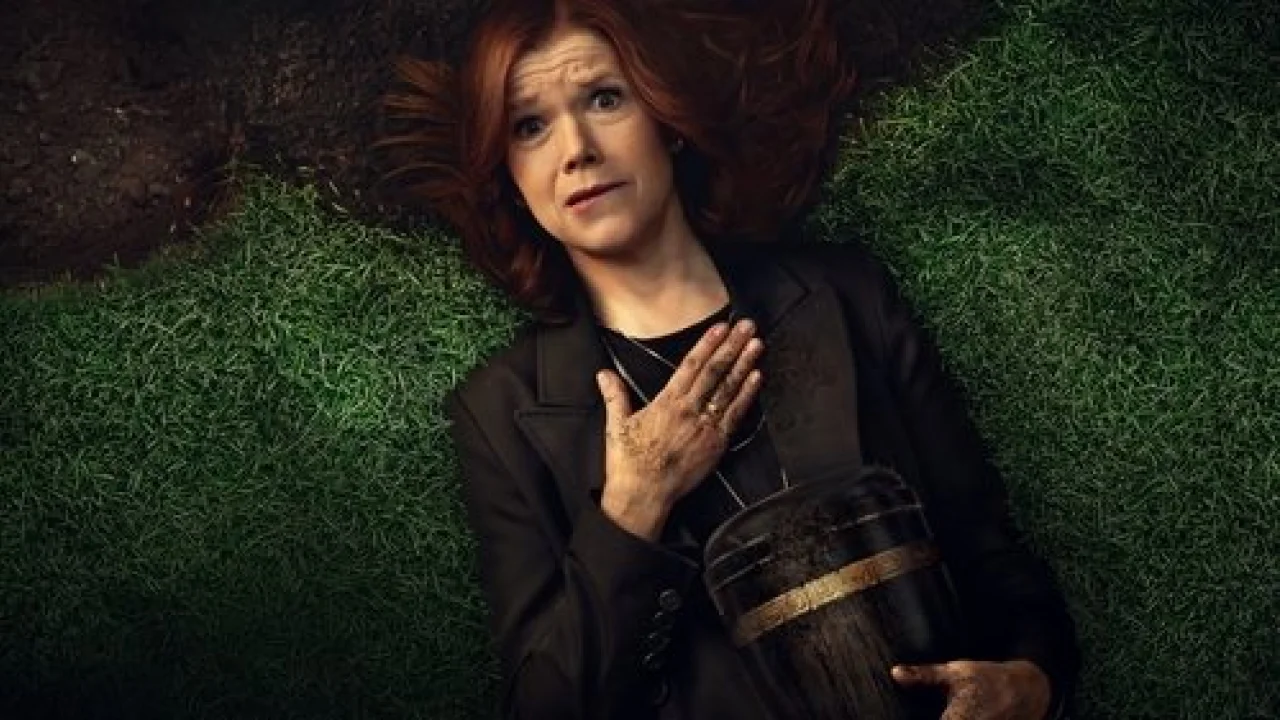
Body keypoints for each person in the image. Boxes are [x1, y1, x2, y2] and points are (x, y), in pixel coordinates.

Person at [382, 0, 1081, 717]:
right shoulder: (501, 413)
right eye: (529, 126)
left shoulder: (849, 298)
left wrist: (1030, 685)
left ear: (666, 117)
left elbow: (994, 561)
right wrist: (634, 505)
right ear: (509, 172)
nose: (577, 149)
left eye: (605, 98)